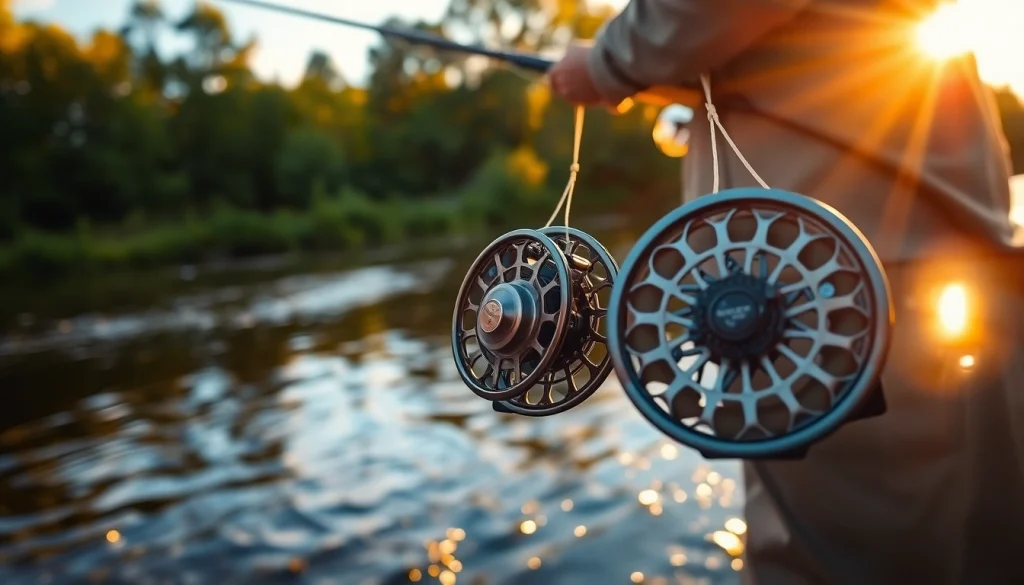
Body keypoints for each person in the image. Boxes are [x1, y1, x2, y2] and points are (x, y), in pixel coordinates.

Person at [548, 1, 1024, 584]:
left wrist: (606, 62)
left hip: (822, 280)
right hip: (947, 243)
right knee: (979, 528)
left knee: (843, 555)